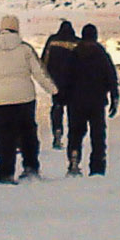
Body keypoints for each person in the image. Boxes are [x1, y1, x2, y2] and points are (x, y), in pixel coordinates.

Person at [0, 14, 56, 184]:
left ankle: (5, 173)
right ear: (17, 28)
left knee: (4, 138)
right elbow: (40, 73)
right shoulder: (25, 49)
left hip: (0, 101)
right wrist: (54, 91)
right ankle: (31, 167)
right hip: (25, 99)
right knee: (28, 135)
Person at [59, 23, 120, 176]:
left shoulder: (74, 54)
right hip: (97, 102)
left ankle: (74, 158)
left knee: (75, 133)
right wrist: (114, 98)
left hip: (76, 102)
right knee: (98, 135)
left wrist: (63, 98)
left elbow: (65, 78)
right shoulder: (101, 55)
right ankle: (98, 166)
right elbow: (111, 78)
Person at [40, 20, 78, 149]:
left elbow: (43, 60)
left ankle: (57, 131)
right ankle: (73, 137)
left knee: (57, 107)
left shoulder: (52, 41)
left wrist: (46, 78)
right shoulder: (77, 42)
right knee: (72, 110)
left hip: (56, 81)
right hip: (73, 82)